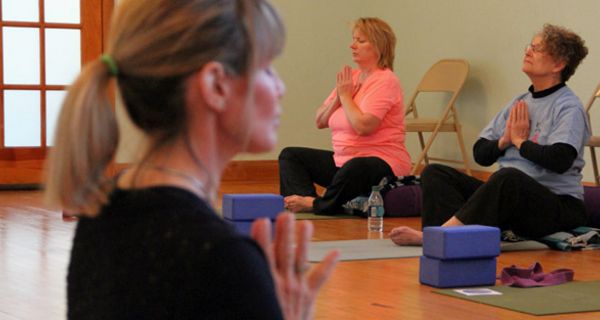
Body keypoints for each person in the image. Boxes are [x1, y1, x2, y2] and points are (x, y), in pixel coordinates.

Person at [44, 0, 338, 319]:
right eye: (266, 68)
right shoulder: (223, 259)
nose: (280, 87)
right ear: (215, 85)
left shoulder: (101, 212)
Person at [390, 23, 589, 246]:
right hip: (508, 200)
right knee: (435, 173)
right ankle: (443, 238)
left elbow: (560, 159)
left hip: (555, 206)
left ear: (559, 64)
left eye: (538, 49)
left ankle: (439, 237)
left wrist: (520, 142)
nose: (528, 51)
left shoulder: (568, 106)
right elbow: (480, 154)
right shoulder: (519, 102)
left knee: (507, 177)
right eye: (529, 46)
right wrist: (504, 141)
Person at [279, 17, 411, 215]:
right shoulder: (352, 78)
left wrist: (346, 97)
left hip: (380, 164)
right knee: (290, 155)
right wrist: (338, 97)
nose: (352, 45)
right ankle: (307, 201)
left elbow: (363, 126)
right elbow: (320, 121)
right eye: (353, 39)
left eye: (360, 40)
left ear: (378, 45)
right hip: (343, 162)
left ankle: (318, 205)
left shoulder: (386, 81)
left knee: (355, 167)